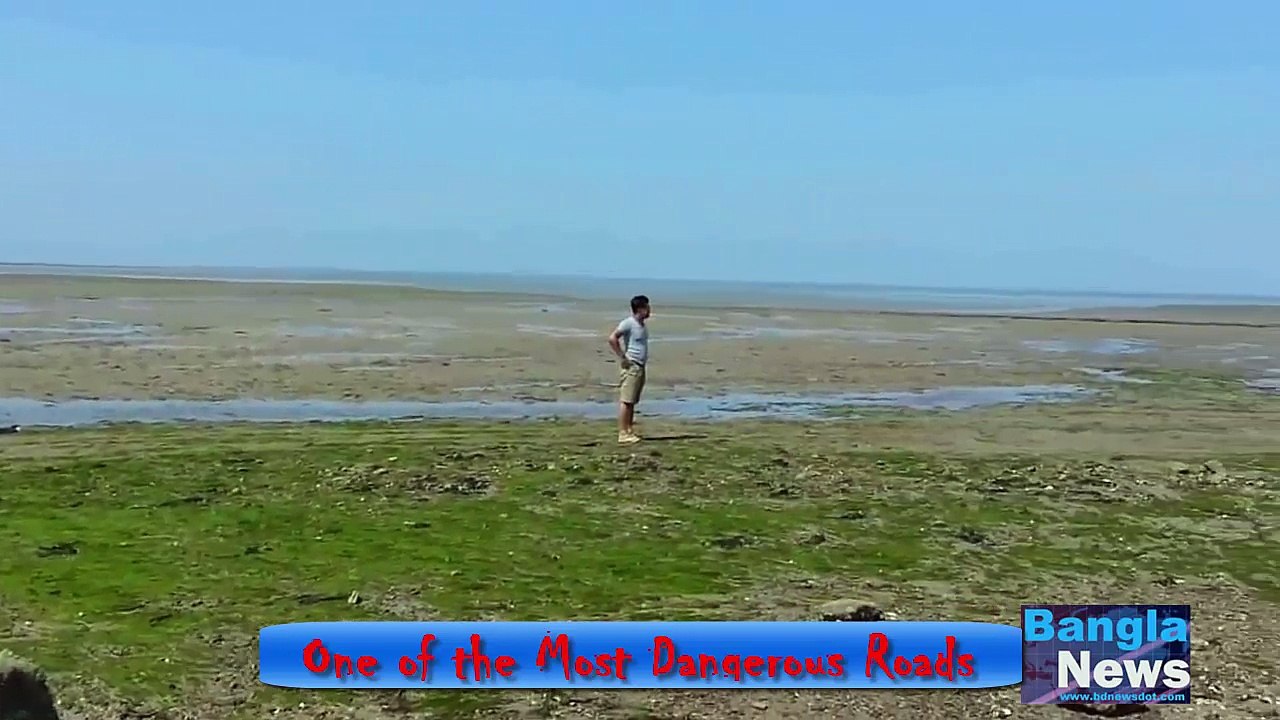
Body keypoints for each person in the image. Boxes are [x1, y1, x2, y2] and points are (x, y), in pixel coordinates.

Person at [608, 295, 651, 444]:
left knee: (632, 400)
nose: (649, 310)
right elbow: (613, 338)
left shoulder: (641, 325)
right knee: (626, 400)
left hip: (640, 366)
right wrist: (623, 357)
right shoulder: (629, 323)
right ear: (640, 309)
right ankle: (622, 433)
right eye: (647, 307)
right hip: (631, 365)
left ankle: (629, 430)